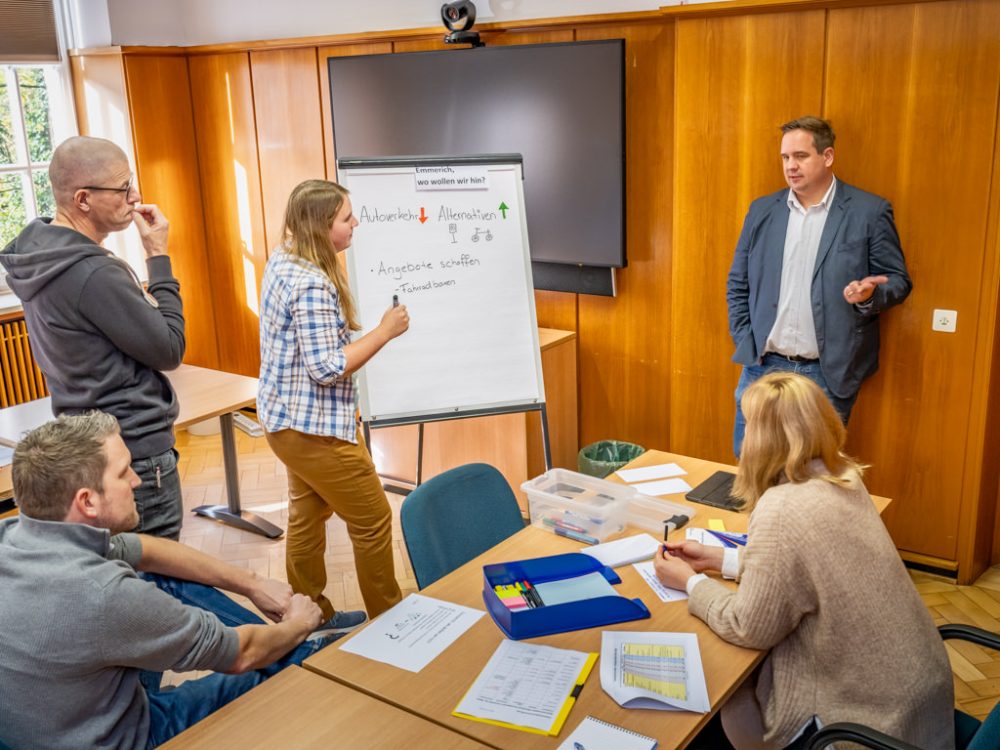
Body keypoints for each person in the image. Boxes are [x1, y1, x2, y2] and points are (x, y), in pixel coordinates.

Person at [0, 412, 345, 750]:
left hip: (58, 721)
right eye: (123, 473)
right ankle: (308, 650)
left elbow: (145, 551)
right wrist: (300, 623)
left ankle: (297, 646)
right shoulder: (102, 593)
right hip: (130, 736)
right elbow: (242, 655)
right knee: (269, 665)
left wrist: (251, 582)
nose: (137, 480)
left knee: (159, 574)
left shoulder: (13, 535)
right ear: (87, 501)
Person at [654, 372, 953, 750]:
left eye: (748, 429)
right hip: (917, 700)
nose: (742, 440)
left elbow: (749, 627)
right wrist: (721, 558)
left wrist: (690, 583)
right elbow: (812, 565)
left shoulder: (782, 507)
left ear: (764, 440)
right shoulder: (842, 474)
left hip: (863, 724)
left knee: (715, 700)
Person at [0, 135, 186, 539]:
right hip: (133, 450)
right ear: (83, 199)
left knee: (123, 573)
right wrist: (158, 257)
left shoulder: (39, 256)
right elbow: (170, 348)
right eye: (123, 189)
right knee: (159, 578)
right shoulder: (92, 273)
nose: (135, 197)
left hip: (91, 446)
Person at [258, 179, 408, 629]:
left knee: (307, 513)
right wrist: (384, 331)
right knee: (374, 519)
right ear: (323, 227)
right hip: (313, 429)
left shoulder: (285, 257)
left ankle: (309, 618)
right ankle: (391, 623)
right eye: (346, 217)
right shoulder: (310, 284)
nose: (355, 222)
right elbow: (325, 368)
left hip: (285, 420)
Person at [726, 116, 912, 456]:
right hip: (763, 366)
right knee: (751, 466)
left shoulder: (868, 211)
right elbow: (738, 283)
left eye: (800, 156)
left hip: (827, 371)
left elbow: (898, 281)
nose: (791, 166)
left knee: (816, 474)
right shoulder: (762, 210)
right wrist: (745, 339)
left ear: (827, 157)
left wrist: (869, 296)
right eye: (785, 158)